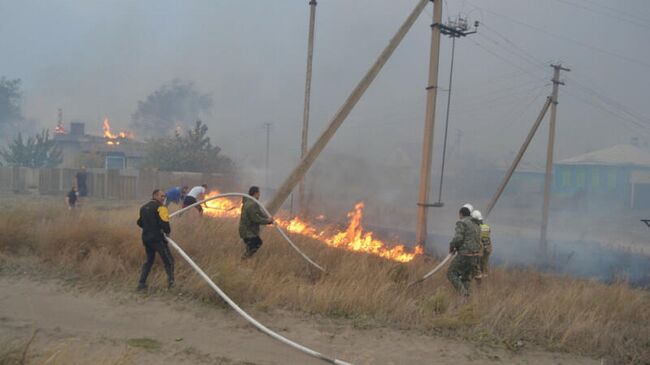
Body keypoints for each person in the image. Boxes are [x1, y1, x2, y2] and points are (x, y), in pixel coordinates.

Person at [136, 189, 174, 291]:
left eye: (164, 196)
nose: (163, 198)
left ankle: (141, 283)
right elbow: (165, 224)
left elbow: (139, 222)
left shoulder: (143, 208)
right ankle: (171, 285)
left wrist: (149, 227)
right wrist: (167, 232)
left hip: (146, 238)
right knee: (169, 261)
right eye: (161, 196)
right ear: (155, 196)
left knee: (149, 261)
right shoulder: (161, 208)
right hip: (158, 239)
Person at [447, 206, 481, 296]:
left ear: (461, 214)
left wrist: (452, 246)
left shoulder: (462, 222)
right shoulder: (476, 223)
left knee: (451, 273)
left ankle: (463, 293)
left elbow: (458, 238)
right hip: (476, 256)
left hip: (465, 254)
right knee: (466, 277)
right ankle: (465, 300)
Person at [239, 186, 273, 258]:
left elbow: (259, 213)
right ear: (256, 193)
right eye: (259, 193)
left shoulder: (252, 202)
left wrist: (268, 218)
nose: (259, 195)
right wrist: (267, 221)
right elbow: (255, 219)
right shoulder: (251, 204)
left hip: (249, 230)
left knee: (254, 244)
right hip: (247, 231)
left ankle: (246, 259)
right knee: (257, 243)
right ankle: (244, 259)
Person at [471, 210, 492, 278]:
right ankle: (484, 276)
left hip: (481, 249)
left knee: (477, 263)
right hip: (488, 248)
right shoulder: (487, 227)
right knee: (485, 263)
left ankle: (478, 276)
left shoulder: (476, 228)